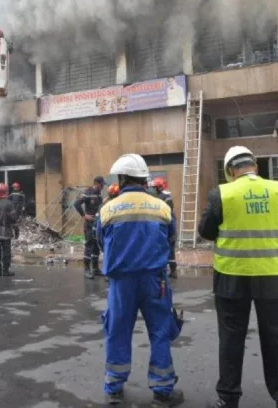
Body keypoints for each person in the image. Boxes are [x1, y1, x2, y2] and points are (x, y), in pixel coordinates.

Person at [197, 145, 278, 408]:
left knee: (231, 338)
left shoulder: (221, 193)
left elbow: (206, 231)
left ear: (230, 170)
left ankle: (228, 398)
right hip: (276, 274)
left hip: (233, 275)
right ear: (254, 165)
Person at [97, 154, 184, 407]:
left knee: (117, 330)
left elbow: (101, 242)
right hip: (155, 281)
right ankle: (162, 390)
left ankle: (114, 387)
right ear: (144, 179)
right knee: (160, 331)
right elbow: (170, 238)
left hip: (121, 282)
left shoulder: (108, 208)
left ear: (122, 179)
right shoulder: (161, 207)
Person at [74, 176, 106, 280]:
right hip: (89, 224)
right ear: (96, 183)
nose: (103, 186)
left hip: (97, 223)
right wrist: (84, 215)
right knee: (89, 245)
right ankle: (86, 270)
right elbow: (76, 204)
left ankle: (95, 269)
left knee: (96, 245)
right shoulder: (88, 193)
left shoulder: (100, 194)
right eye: (101, 184)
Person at [152, 177, 178, 279]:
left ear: (159, 187)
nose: (154, 189)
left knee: (169, 247)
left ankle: (172, 271)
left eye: (155, 187)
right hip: (165, 223)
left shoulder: (164, 197)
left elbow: (168, 212)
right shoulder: (162, 196)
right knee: (167, 247)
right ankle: (170, 270)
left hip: (167, 224)